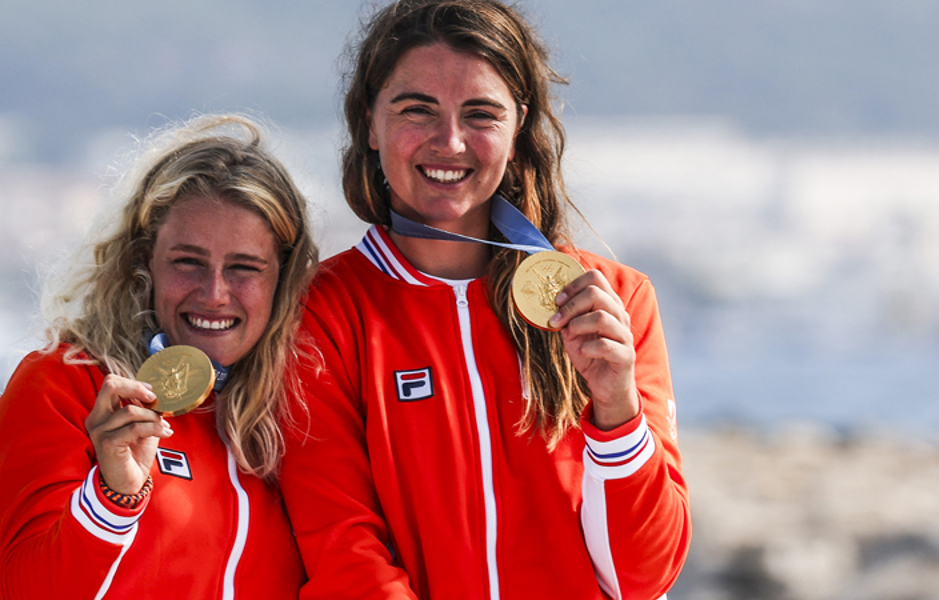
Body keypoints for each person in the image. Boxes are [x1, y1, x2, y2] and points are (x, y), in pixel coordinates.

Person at [278, 1, 691, 599]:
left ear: (517, 127)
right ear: (370, 123)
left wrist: (617, 409)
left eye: (481, 114)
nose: (450, 142)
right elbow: (343, 549)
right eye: (417, 109)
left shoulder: (614, 301)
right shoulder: (320, 313)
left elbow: (643, 577)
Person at [0, 114, 317, 599]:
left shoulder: (296, 411)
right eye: (187, 262)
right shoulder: (61, 387)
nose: (215, 294)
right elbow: (28, 589)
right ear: (143, 260)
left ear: (281, 280)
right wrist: (112, 499)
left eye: (244, 268)